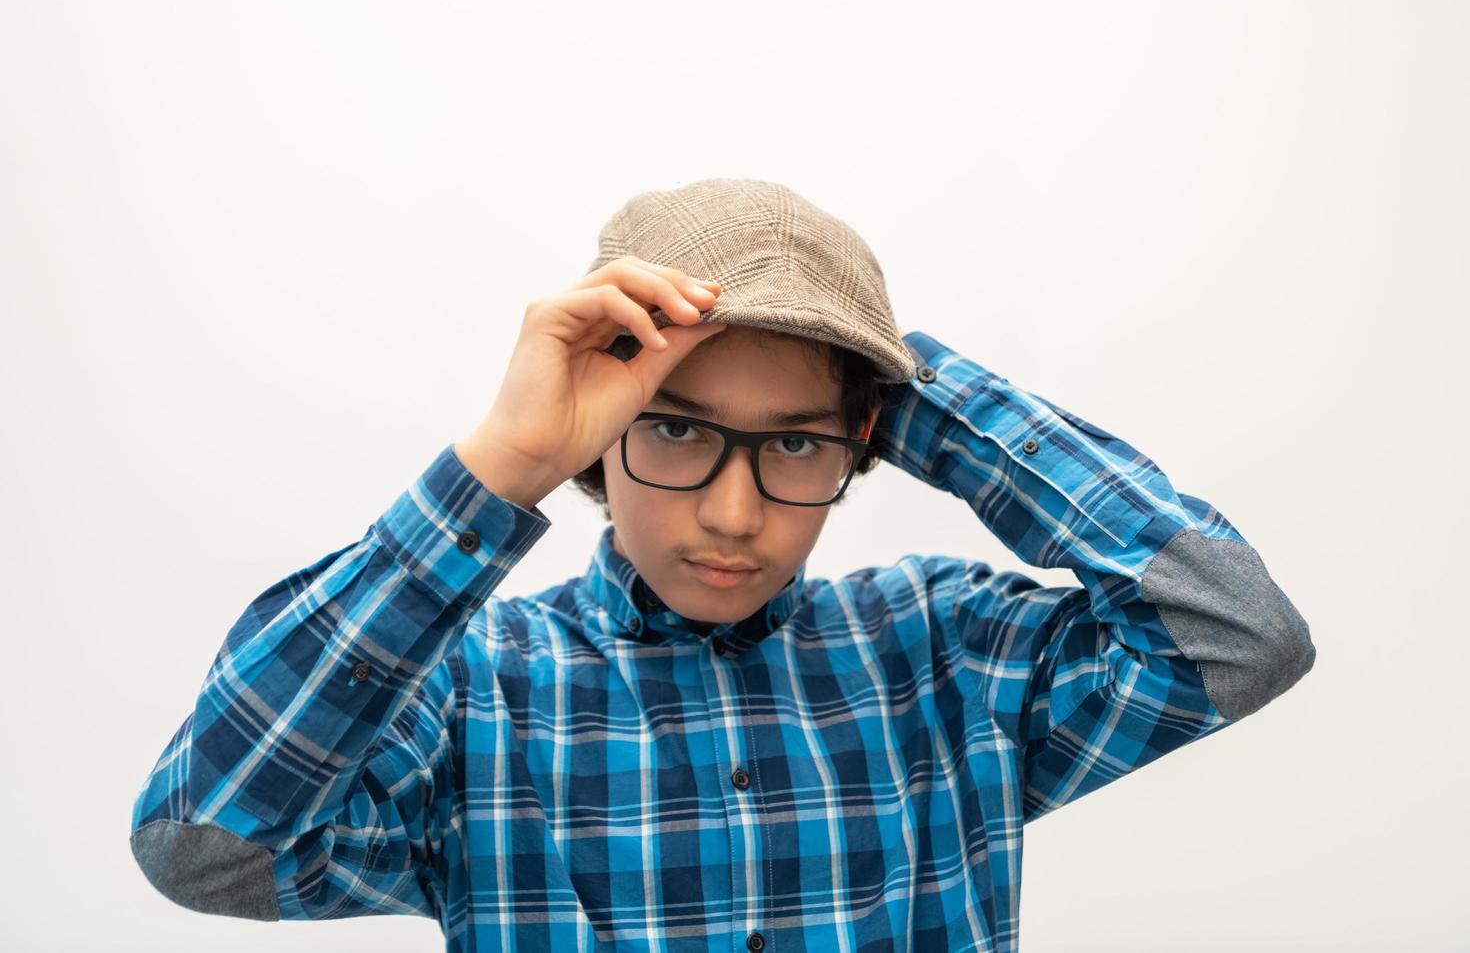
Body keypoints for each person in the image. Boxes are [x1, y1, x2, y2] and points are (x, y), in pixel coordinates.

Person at [129, 177, 1317, 952]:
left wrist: (906, 385)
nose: (736, 513)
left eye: (794, 441)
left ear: (862, 442)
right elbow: (206, 846)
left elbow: (1234, 634)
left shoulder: (949, 653)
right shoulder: (473, 693)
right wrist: (502, 463)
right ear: (606, 431)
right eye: (682, 429)